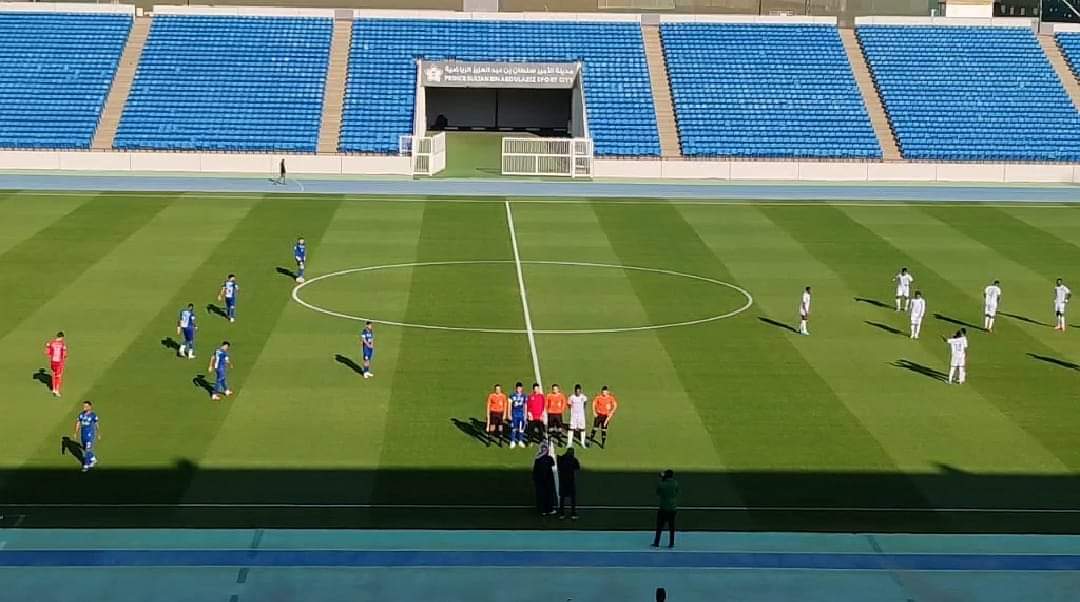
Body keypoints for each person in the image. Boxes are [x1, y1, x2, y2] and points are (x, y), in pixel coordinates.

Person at [652, 469, 679, 548]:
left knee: (659, 526)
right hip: (672, 508)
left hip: (663, 508)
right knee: (672, 527)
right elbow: (676, 491)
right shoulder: (675, 483)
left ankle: (656, 543)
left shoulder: (662, 484)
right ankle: (671, 543)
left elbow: (658, 492)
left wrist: (662, 480)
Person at [532, 441, 557, 515]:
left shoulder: (537, 458)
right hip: (547, 479)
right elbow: (553, 464)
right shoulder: (549, 458)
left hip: (539, 479)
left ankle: (542, 510)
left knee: (540, 494)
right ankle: (549, 509)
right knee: (548, 494)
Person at [74, 400, 99, 472]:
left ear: (90, 407)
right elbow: (78, 422)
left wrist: (98, 433)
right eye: (84, 406)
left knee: (87, 450)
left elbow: (96, 424)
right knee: (85, 448)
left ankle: (86, 465)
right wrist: (76, 432)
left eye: (86, 406)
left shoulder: (93, 415)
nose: (84, 407)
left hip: (90, 434)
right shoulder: (81, 414)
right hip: (83, 434)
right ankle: (93, 459)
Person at [557, 447, 580, 519]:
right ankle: (573, 514)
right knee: (572, 498)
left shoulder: (561, 459)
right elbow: (577, 467)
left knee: (562, 498)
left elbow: (559, 466)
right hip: (570, 481)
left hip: (563, 481)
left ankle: (561, 514)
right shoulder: (574, 460)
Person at [44, 331, 68, 397]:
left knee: (54, 375)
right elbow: (65, 355)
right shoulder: (62, 344)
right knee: (58, 376)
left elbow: (46, 352)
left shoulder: (51, 343)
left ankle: (54, 389)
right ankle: (57, 390)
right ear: (62, 337)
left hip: (52, 361)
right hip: (59, 362)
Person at [567, 384, 588, 448]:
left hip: (581, 416)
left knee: (582, 429)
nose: (578, 392)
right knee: (571, 428)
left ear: (580, 391)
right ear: (575, 391)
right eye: (577, 391)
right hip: (574, 415)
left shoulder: (583, 397)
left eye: (579, 391)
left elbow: (585, 404)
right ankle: (569, 443)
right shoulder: (571, 397)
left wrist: (581, 411)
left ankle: (582, 443)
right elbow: (569, 405)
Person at [509, 382, 527, 449]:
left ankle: (520, 440)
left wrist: (525, 414)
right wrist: (509, 414)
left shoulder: (524, 396)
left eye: (520, 388)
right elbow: (510, 405)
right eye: (517, 388)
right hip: (514, 414)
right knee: (514, 428)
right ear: (516, 388)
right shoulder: (512, 395)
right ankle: (513, 441)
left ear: (522, 388)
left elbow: (525, 405)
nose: (519, 389)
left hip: (521, 414)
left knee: (521, 428)